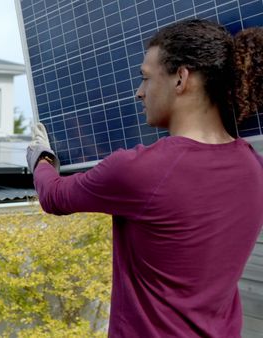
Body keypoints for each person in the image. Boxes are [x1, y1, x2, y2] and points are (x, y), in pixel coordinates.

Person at [27, 19, 263, 337]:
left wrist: (40, 157)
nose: (139, 93)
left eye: (145, 78)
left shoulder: (140, 170)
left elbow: (53, 196)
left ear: (181, 78)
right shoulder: (253, 166)